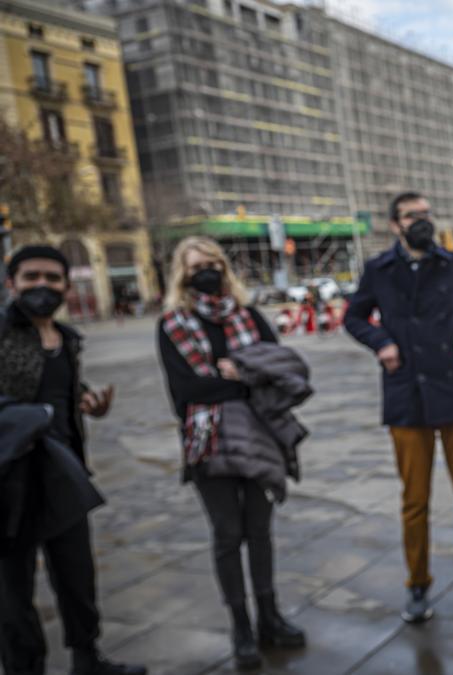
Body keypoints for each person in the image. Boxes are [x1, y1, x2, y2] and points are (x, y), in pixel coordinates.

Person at [343, 191, 453, 624]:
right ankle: (417, 584)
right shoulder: (379, 270)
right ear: (395, 224)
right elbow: (354, 317)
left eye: (426, 214)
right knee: (415, 500)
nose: (422, 221)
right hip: (406, 393)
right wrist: (382, 344)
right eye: (412, 215)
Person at [156, 237, 305, 670]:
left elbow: (280, 370)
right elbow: (185, 391)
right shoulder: (173, 324)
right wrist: (243, 381)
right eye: (196, 265)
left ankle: (270, 616)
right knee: (226, 534)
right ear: (181, 274)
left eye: (214, 263)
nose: (206, 271)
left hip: (258, 437)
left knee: (260, 530)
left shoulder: (250, 317)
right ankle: (240, 624)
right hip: (207, 441)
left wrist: (239, 377)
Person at [0, 246, 145, 675]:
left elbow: (60, 391)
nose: (42, 286)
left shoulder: (66, 339)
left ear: (66, 285)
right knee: (12, 591)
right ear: (12, 284)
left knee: (77, 576)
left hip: (64, 475)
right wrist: (34, 417)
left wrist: (87, 403)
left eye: (52, 278)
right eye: (31, 277)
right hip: (11, 481)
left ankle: (88, 659)